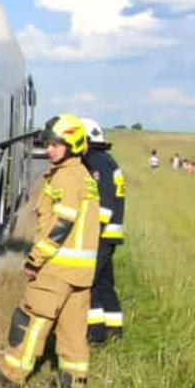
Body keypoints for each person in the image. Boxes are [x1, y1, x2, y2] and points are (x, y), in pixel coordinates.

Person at [0, 115, 97, 388]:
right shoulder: (83, 175)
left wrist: (36, 259)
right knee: (73, 328)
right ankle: (74, 380)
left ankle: (12, 374)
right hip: (81, 271)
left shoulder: (67, 177)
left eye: (58, 145)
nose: (50, 150)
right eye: (49, 144)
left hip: (58, 266)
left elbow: (61, 224)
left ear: (74, 145)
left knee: (33, 317)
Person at [79, 118, 126, 345]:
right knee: (105, 284)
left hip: (101, 233)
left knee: (89, 284)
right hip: (110, 235)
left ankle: (96, 335)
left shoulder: (96, 162)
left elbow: (104, 202)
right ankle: (115, 331)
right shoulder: (107, 160)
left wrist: (91, 230)